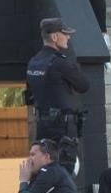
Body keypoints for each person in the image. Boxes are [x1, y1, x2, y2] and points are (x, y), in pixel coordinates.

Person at [25, 18, 88, 174]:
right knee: (65, 174)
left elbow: (29, 96)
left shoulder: (33, 62)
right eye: (65, 34)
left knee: (44, 171)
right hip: (62, 129)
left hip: (41, 126)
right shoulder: (61, 63)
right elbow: (84, 86)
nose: (68, 37)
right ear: (54, 37)